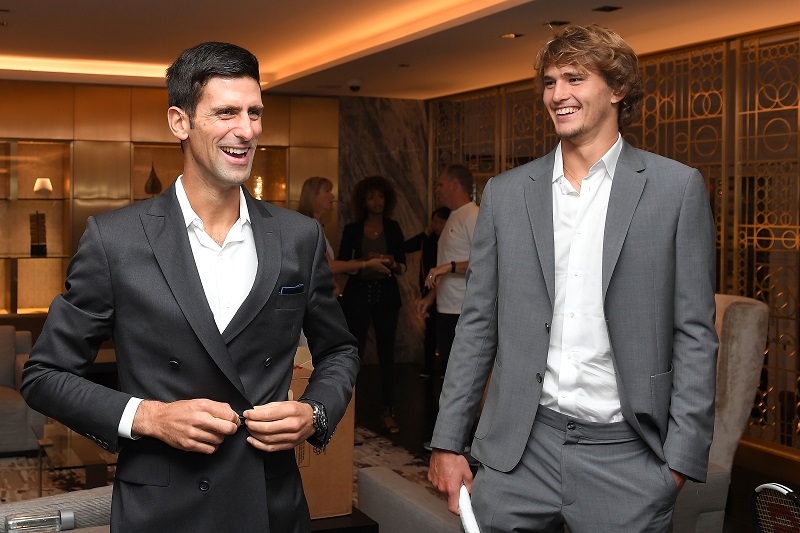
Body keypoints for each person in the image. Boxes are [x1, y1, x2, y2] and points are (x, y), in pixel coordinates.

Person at [21, 42, 359, 533]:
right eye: (226, 113)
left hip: (270, 504)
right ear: (179, 122)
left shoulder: (298, 237)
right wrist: (149, 417)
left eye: (254, 113)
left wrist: (316, 412)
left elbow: (340, 350)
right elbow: (44, 375)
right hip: (163, 509)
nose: (247, 130)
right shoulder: (115, 240)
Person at [427, 24, 718, 532]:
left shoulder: (676, 189)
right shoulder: (506, 194)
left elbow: (694, 333)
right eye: (549, 82)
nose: (557, 94)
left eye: (575, 79)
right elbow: (477, 327)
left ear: (617, 88)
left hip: (628, 457)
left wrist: (677, 464)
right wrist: (449, 441)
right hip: (518, 453)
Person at [338, 175, 406, 433]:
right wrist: (365, 263)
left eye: (380, 196)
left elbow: (403, 267)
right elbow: (343, 264)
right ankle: (348, 413)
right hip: (358, 296)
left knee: (387, 355)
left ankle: (389, 411)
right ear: (362, 201)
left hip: (386, 296)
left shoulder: (394, 227)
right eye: (370, 197)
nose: (376, 202)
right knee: (353, 355)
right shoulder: (352, 229)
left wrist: (391, 262)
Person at [416, 164, 478, 375]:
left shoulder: (473, 215)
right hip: (446, 309)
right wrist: (431, 296)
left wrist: (448, 267)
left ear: (455, 184)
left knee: (463, 376)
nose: (437, 190)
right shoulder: (454, 215)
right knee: (449, 373)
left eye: (440, 185)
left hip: (463, 311)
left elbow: (485, 263)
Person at [297, 176, 392, 285]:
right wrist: (367, 264)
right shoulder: (308, 227)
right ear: (313, 196)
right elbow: (329, 266)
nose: (332, 195)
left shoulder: (314, 226)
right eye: (327, 191)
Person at [404, 206, 450, 378]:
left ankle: (445, 368)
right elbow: (406, 246)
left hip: (447, 289)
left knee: (445, 329)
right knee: (430, 330)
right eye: (435, 222)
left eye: (441, 222)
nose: (437, 225)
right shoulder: (428, 239)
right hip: (428, 289)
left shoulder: (451, 241)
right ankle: (428, 366)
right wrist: (425, 233)